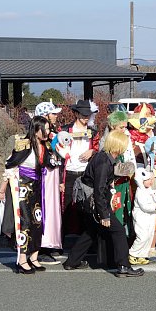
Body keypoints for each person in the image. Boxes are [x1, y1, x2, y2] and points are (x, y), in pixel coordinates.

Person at [62, 130, 145, 277]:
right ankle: (124, 266)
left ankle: (72, 261)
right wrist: (104, 215)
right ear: (118, 145)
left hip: (87, 201)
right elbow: (99, 191)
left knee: (92, 231)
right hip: (93, 202)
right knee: (118, 231)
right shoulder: (104, 162)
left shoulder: (104, 157)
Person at [0, 116, 59, 274]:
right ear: (36, 129)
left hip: (38, 188)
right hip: (23, 187)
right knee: (24, 223)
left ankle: (34, 256)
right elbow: (10, 165)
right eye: (44, 129)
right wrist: (2, 189)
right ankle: (22, 259)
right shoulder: (23, 145)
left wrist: (58, 150)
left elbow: (51, 164)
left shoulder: (45, 146)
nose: (47, 132)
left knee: (38, 222)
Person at [60, 100, 100, 236]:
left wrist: (92, 152)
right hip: (69, 172)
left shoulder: (93, 132)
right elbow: (56, 149)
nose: (85, 117)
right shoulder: (64, 130)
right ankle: (64, 239)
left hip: (85, 173)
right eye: (83, 114)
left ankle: (84, 240)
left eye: (88, 115)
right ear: (76, 114)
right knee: (66, 205)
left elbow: (98, 149)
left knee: (86, 206)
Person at [34, 101, 63, 265]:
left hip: (53, 177)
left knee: (52, 210)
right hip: (44, 178)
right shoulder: (39, 137)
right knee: (44, 209)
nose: (56, 116)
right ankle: (42, 246)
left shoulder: (53, 134)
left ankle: (50, 243)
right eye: (53, 113)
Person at [128, 168, 156, 265]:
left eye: (151, 179)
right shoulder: (140, 191)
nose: (150, 182)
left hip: (150, 217)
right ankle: (132, 253)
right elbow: (144, 206)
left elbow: (153, 199)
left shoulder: (149, 190)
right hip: (141, 217)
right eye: (148, 180)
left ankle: (142, 255)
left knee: (149, 236)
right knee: (142, 236)